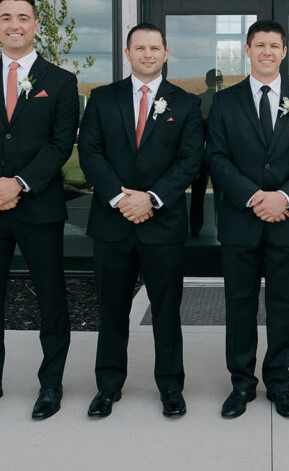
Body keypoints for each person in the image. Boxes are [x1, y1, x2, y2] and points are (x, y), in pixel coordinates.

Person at [0, 0, 79, 421]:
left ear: (36, 25)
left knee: (51, 299)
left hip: (38, 207)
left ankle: (51, 385)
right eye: (6, 17)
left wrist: (20, 184)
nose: (15, 25)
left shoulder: (60, 82)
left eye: (23, 17)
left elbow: (61, 143)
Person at [78, 23, 203, 419]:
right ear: (128, 53)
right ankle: (108, 386)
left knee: (167, 310)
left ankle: (170, 386)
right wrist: (119, 197)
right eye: (139, 47)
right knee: (112, 309)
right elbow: (90, 152)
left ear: (166, 54)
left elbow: (190, 161)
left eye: (155, 48)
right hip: (112, 222)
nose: (147, 54)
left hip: (161, 223)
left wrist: (150, 199)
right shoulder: (102, 98)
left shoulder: (185, 103)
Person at [205, 20, 289, 419]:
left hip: (287, 219)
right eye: (260, 45)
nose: (267, 51)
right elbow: (216, 157)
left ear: (284, 52)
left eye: (274, 45)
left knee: (285, 305)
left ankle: (279, 383)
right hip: (241, 220)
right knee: (239, 305)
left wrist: (285, 197)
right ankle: (241, 384)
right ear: (247, 49)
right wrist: (255, 197)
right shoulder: (224, 102)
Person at [188, 69, 223, 237]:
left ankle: (195, 229)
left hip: (200, 156)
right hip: (219, 157)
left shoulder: (200, 100)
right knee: (221, 196)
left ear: (206, 81)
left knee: (197, 196)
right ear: (220, 82)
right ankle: (220, 228)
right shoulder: (224, 101)